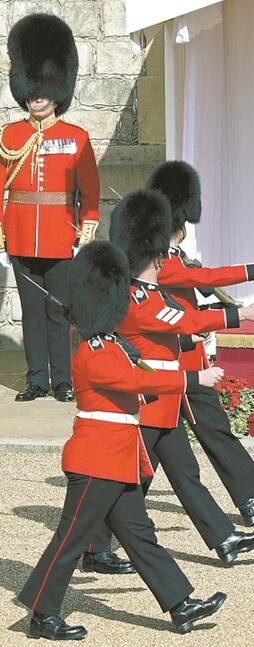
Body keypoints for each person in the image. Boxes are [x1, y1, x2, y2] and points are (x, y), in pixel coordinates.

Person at [17, 241, 227, 640]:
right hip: (98, 460)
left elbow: (136, 382)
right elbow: (135, 381)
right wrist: (191, 378)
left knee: (139, 534)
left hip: (118, 457)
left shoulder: (110, 345)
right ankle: (42, 614)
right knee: (71, 539)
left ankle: (181, 605)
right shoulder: (94, 352)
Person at [111, 189, 254, 563]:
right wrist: (239, 316)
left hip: (164, 402)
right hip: (150, 402)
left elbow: (181, 323)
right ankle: (92, 545)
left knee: (184, 473)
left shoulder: (147, 292)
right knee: (126, 483)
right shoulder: (139, 298)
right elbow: (186, 320)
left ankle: (224, 539)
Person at [147, 160, 254, 526]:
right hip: (175, 363)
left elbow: (191, 297)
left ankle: (249, 499)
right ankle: (98, 534)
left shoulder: (172, 256)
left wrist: (220, 307)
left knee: (213, 430)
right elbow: (206, 277)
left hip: (191, 356)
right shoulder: (159, 262)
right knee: (146, 459)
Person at [1, 14, 98, 402]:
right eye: (31, 89)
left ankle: (63, 380)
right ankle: (36, 378)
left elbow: (88, 190)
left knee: (59, 312)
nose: (36, 96)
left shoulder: (76, 138)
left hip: (61, 236)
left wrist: (86, 225)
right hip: (20, 234)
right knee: (31, 313)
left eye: (43, 89)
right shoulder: (10, 136)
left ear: (58, 89)